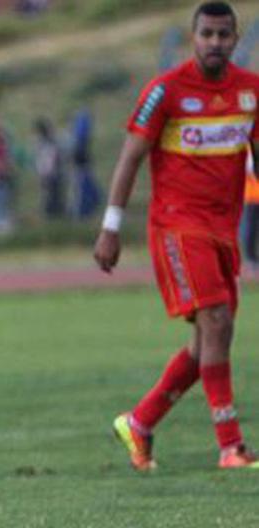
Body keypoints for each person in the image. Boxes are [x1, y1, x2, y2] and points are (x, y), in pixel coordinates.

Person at [93, 1, 259, 471]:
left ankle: (140, 422)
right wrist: (110, 227)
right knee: (218, 320)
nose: (215, 43)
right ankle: (231, 445)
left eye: (224, 35)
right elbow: (130, 158)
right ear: (194, 37)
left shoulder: (251, 92)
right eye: (207, 34)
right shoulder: (166, 90)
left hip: (224, 230)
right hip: (177, 226)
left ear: (235, 39)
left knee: (209, 340)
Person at [33, 117, 65, 219]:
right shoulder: (47, 142)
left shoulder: (47, 142)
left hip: (50, 172)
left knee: (52, 194)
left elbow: (51, 158)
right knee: (51, 194)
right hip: (50, 172)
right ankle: (52, 213)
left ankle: (54, 213)